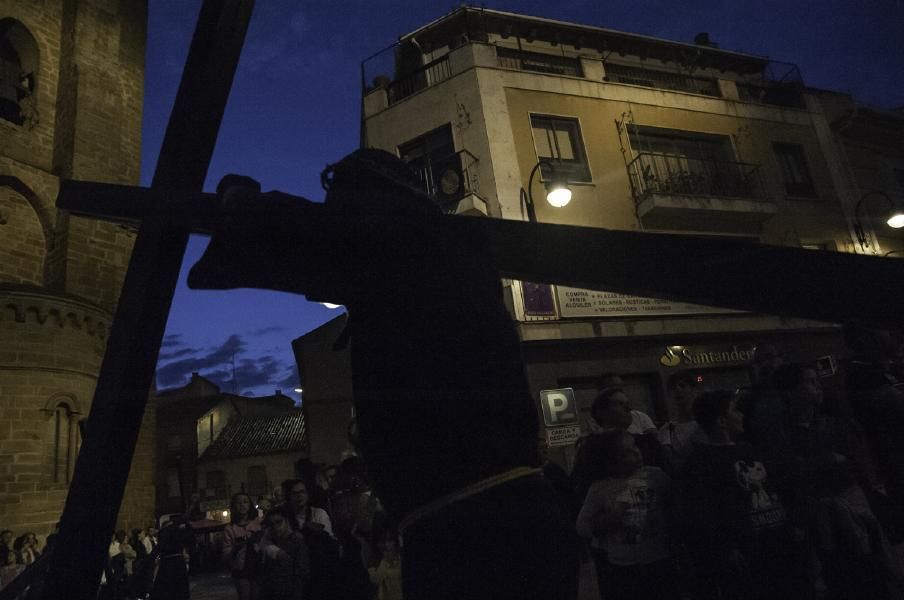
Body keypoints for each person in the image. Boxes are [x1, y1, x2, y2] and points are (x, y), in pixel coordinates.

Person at [679, 390, 792, 600]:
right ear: (721, 421)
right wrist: (725, 548)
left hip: (775, 541)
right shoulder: (700, 464)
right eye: (734, 410)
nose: (740, 415)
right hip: (746, 550)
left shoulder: (750, 450)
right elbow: (702, 511)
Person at [576, 430, 675, 600]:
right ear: (611, 463)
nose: (636, 452)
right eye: (626, 452)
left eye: (635, 446)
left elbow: (673, 505)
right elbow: (582, 526)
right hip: (623, 564)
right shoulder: (601, 488)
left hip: (658, 557)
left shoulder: (655, 476)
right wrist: (607, 521)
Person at [258, 505, 311, 600]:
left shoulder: (297, 540)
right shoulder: (271, 540)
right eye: (272, 524)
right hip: (273, 591)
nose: (275, 527)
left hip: (290, 592)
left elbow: (301, 571)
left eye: (279, 522)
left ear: (287, 521)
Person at [658, 371, 704, 471]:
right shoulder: (667, 430)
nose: (677, 390)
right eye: (673, 388)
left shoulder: (706, 423)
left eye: (682, 386)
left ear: (694, 390)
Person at [223, 492, 263, 600]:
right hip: (241, 568)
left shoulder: (259, 522)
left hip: (258, 565)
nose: (242, 505)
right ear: (234, 506)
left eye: (245, 502)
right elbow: (226, 552)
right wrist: (236, 548)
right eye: (238, 502)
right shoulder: (230, 528)